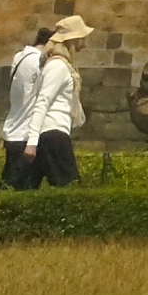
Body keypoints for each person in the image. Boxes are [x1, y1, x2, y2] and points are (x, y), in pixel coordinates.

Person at [26, 14, 92, 187]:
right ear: (73, 39)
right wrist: (32, 143)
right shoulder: (58, 67)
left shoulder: (62, 65)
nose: (84, 43)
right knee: (70, 187)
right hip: (53, 134)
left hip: (52, 133)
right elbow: (42, 101)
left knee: (28, 187)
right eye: (82, 38)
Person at [0, 25, 52, 189]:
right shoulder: (37, 62)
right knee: (21, 188)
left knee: (10, 184)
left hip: (13, 129)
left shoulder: (19, 57)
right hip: (25, 135)